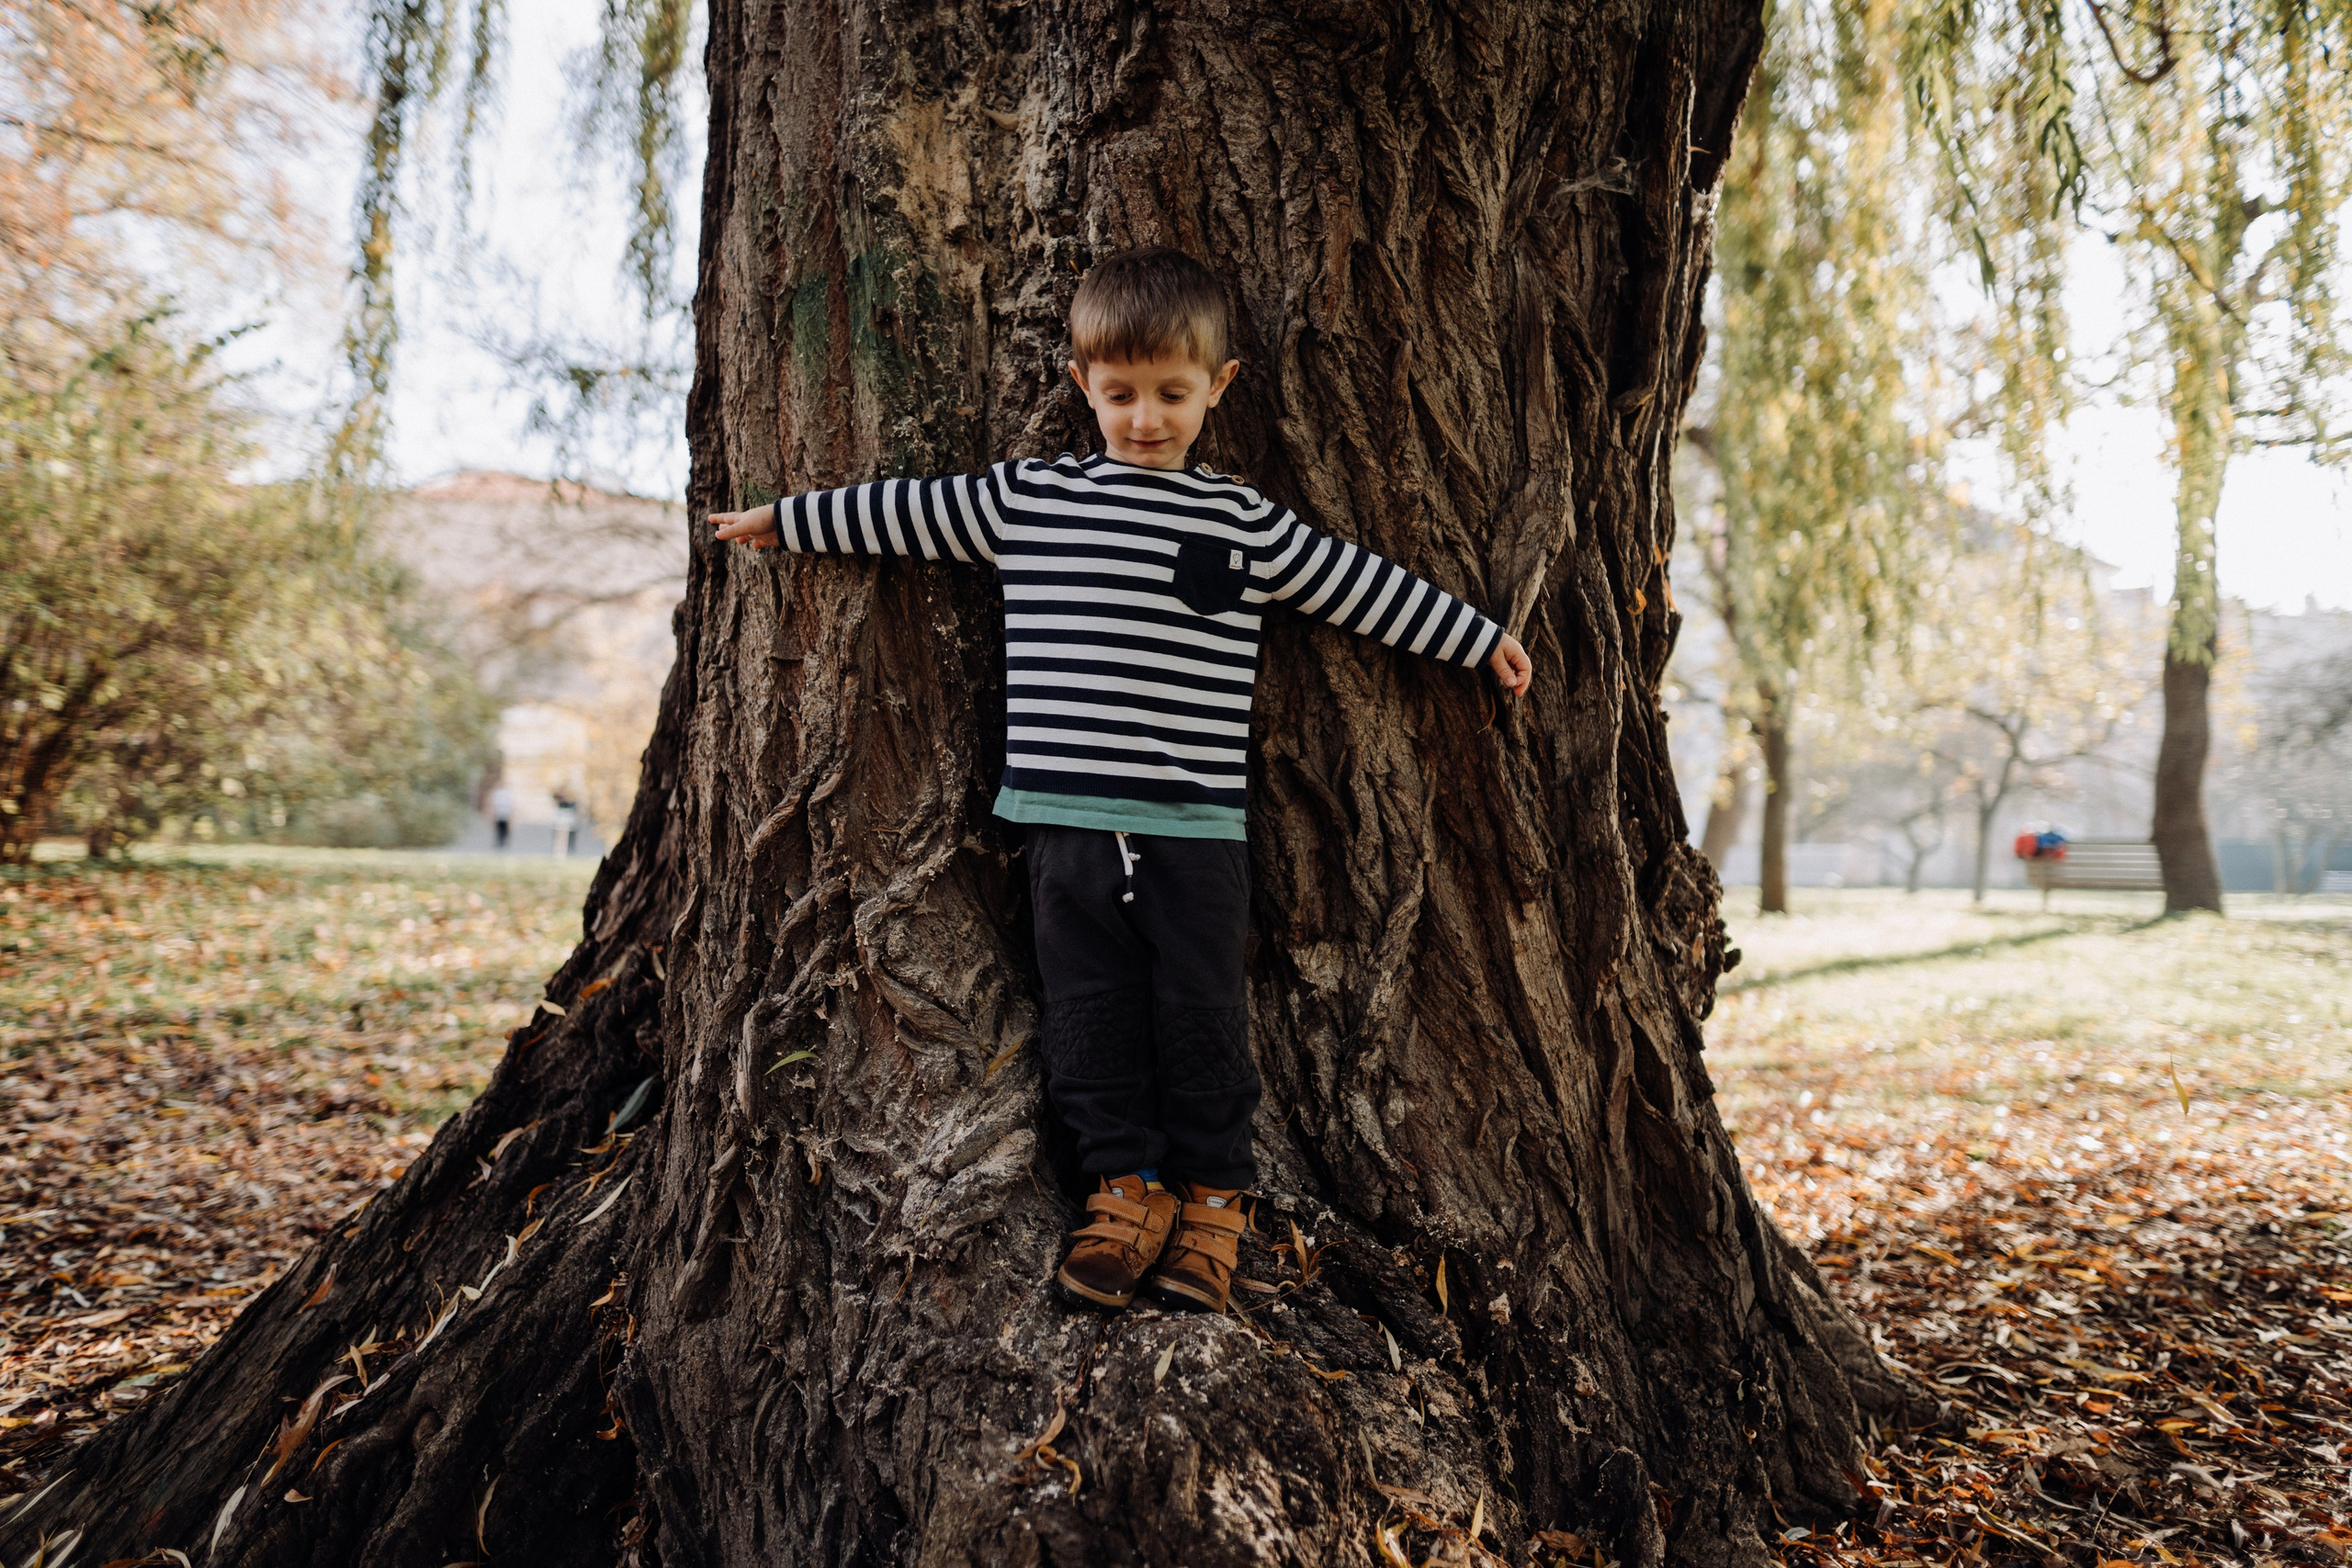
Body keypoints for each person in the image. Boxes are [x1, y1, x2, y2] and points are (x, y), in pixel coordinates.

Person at [708, 247, 1533, 1314]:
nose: (1146, 418)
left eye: (1172, 396)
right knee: (1089, 1015)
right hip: (1063, 826)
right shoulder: (1030, 502)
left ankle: (1213, 1204)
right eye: (1122, 395)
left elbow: (1358, 587)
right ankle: (1123, 1191)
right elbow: (904, 511)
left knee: (1201, 1017)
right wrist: (787, 517)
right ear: (1082, 387)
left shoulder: (1243, 525)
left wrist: (1476, 638)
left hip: (1195, 827)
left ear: (1217, 388)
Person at [489, 784, 515, 852]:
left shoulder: (504, 794)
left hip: (504, 813)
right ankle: (500, 840)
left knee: (503, 828)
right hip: (500, 813)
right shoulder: (498, 794)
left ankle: (503, 840)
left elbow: (510, 805)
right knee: (500, 828)